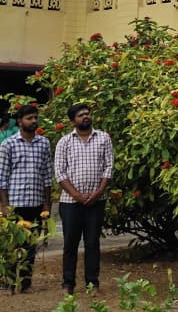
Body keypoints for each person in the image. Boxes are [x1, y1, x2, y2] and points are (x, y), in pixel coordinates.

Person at [54, 103, 114, 294]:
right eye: (80, 115)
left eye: (87, 113)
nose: (85, 116)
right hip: (70, 203)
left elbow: (108, 167)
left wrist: (98, 193)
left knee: (92, 243)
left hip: (96, 201)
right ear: (73, 121)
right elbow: (60, 172)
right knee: (70, 244)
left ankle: (92, 283)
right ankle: (68, 284)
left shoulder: (103, 138)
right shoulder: (64, 142)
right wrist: (77, 195)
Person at [0, 103, 52, 293]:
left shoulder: (44, 143)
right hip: (15, 204)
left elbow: (47, 176)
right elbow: (2, 177)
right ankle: (9, 282)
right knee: (13, 245)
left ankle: (26, 283)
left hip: (36, 203)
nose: (34, 121)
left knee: (31, 245)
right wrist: (4, 205)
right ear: (20, 122)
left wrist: (47, 204)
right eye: (29, 118)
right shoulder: (8, 144)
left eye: (35, 117)